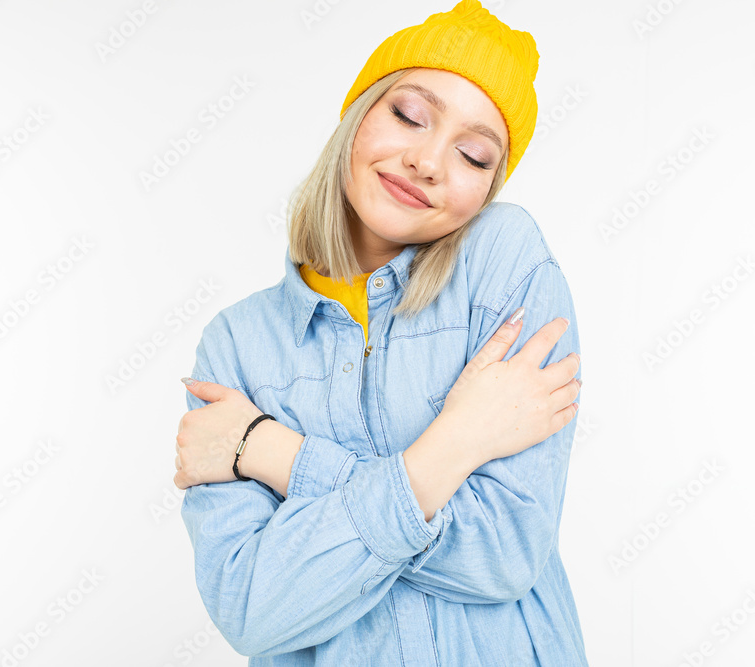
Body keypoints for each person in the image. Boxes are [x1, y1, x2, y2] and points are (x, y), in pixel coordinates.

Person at [173, 1, 588, 664]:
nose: (427, 160)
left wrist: (277, 452)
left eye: (474, 155)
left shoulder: (504, 262)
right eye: (409, 115)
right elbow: (254, 610)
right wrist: (454, 445)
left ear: (489, 188)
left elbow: (505, 553)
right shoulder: (238, 344)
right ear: (357, 115)